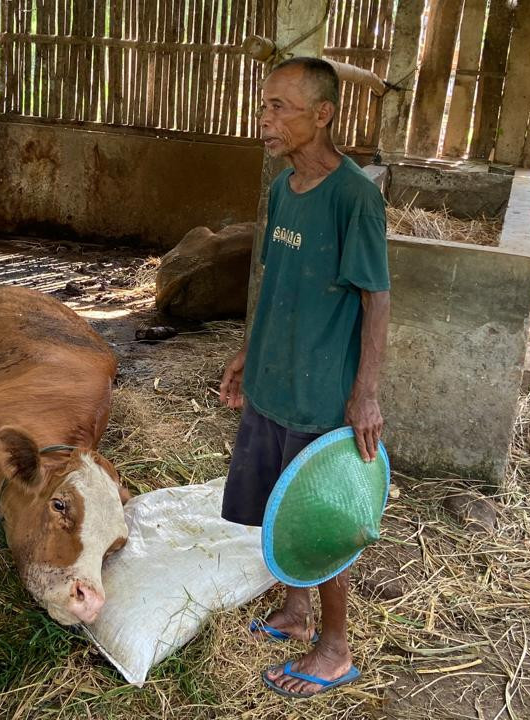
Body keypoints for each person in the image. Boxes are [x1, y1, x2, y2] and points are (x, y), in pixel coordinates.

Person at [218, 55, 390, 698]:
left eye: (279, 107)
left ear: (322, 114)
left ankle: (336, 648)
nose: (265, 119)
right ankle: (295, 612)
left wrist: (365, 393)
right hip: (274, 376)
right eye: (264, 105)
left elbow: (377, 298)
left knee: (323, 515)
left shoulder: (354, 198)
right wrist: (247, 349)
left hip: (321, 391)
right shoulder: (282, 187)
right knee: (278, 502)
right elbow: (274, 280)